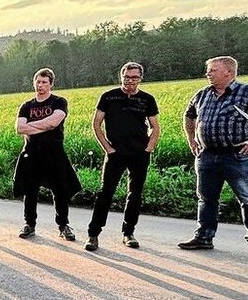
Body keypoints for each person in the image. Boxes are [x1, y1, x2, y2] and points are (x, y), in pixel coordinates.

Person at [178, 55, 248, 258]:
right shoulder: (202, 94)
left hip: (238, 155)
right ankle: (204, 237)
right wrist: (191, 139)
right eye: (208, 70)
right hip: (207, 154)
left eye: (212, 70)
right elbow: (189, 115)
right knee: (206, 199)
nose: (207, 73)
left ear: (229, 71)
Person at [85, 63, 160, 251]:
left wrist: (148, 148)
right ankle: (93, 234)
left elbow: (155, 126)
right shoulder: (108, 97)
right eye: (126, 77)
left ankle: (128, 233)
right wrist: (107, 148)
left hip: (139, 153)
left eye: (134, 77)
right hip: (115, 153)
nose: (130, 81)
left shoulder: (147, 99)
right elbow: (96, 124)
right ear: (121, 76)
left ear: (140, 78)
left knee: (135, 194)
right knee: (105, 193)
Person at [13, 68, 82, 240]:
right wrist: (44, 126)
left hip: (54, 153)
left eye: (44, 82)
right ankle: (29, 224)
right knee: (30, 191)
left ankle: (63, 225)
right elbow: (20, 128)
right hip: (31, 154)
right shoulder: (26, 106)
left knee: (60, 190)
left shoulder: (59, 102)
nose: (40, 85)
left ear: (51, 84)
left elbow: (54, 122)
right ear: (34, 83)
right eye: (38, 81)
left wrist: (33, 126)